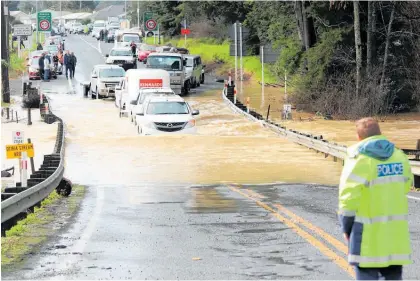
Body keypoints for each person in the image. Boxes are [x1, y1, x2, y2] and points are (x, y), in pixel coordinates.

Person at [338, 117, 413, 280]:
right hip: (395, 237)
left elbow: (347, 199)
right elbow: (407, 185)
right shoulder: (399, 156)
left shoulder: (358, 159)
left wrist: (346, 227)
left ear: (359, 137)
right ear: (380, 133)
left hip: (366, 239)